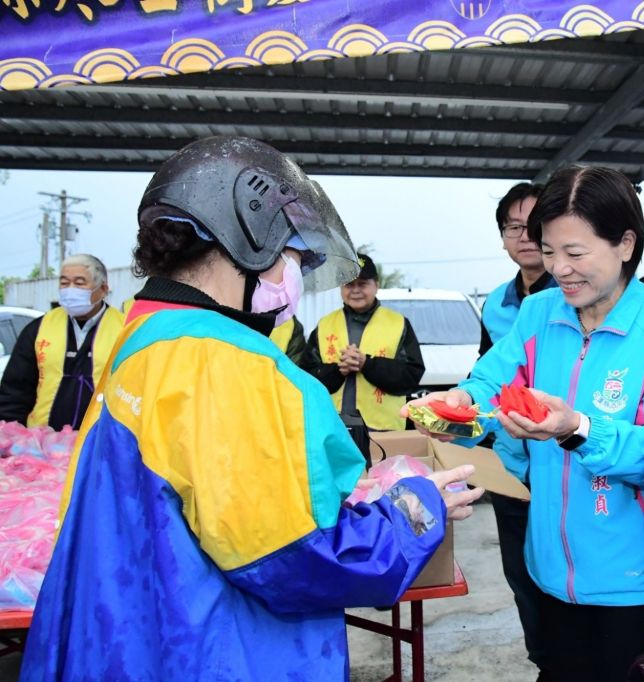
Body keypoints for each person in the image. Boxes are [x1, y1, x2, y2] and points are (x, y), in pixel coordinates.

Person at [20, 136, 484, 681]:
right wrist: (416, 509)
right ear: (251, 240)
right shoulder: (227, 362)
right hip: (217, 653)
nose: (295, 279)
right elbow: (292, 558)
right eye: (293, 257)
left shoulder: (144, 336)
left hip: (133, 641)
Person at [404, 166, 644, 681]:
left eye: (575, 253)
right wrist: (457, 403)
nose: (559, 269)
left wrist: (576, 428)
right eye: (548, 251)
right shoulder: (539, 312)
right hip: (548, 569)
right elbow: (491, 379)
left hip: (632, 579)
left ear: (625, 244)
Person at [478, 181, 557, 673]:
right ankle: (544, 661)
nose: (524, 236)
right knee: (521, 577)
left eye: (534, 226)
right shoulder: (495, 304)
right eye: (513, 227)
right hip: (510, 466)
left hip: (562, 460)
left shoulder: (570, 294)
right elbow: (484, 373)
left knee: (563, 575)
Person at [301, 253, 424, 430]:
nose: (355, 290)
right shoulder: (325, 324)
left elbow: (411, 376)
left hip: (383, 428)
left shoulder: (398, 323)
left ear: (376, 286)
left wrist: (367, 364)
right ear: (341, 288)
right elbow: (306, 377)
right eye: (349, 284)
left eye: (362, 284)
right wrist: (338, 370)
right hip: (332, 427)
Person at [0, 254, 124, 430]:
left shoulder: (125, 329)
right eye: (64, 283)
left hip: (101, 439)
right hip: (42, 439)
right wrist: (11, 433)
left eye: (79, 283)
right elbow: (15, 391)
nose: (70, 290)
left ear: (103, 289)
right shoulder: (39, 329)